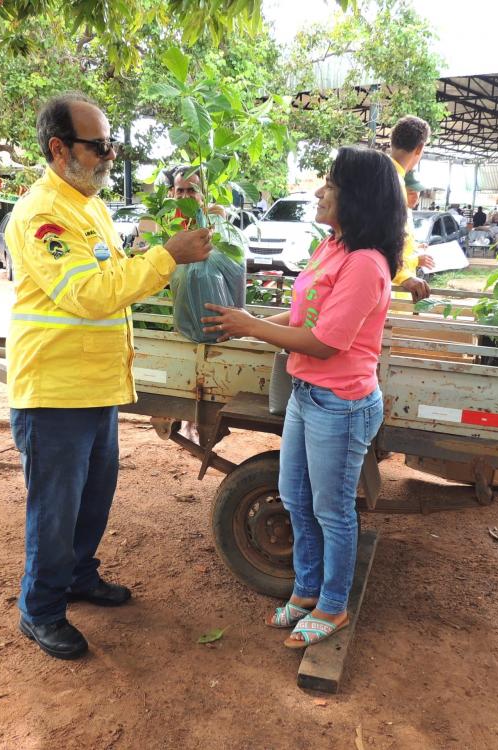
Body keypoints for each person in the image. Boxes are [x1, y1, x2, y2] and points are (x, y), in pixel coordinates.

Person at [5, 93, 212, 660]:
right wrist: (166, 257)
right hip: (54, 393)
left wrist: (158, 250)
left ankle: (78, 575)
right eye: (98, 146)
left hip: (94, 386)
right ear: (59, 149)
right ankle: (41, 610)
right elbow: (89, 293)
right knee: (55, 511)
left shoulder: (88, 205)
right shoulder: (43, 213)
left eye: (111, 144)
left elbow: (115, 272)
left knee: (93, 498)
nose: (110, 156)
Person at [201, 146, 406, 648]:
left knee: (331, 509)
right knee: (295, 497)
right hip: (306, 393)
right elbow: (301, 319)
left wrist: (251, 325)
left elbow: (325, 342)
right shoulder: (333, 246)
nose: (319, 191)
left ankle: (333, 606)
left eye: (330, 184)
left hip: (341, 403)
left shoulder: (365, 264)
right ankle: (307, 590)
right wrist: (245, 325)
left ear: (356, 196)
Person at [388, 115, 433, 302]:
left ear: (392, 141)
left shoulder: (387, 176)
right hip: (389, 289)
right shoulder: (392, 182)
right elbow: (380, 240)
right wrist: (404, 275)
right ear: (420, 148)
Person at [403, 170, 435, 272]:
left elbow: (403, 243)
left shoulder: (408, 212)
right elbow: (388, 260)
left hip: (408, 275)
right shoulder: (392, 217)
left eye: (418, 192)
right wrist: (415, 261)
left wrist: (416, 246)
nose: (416, 197)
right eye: (411, 193)